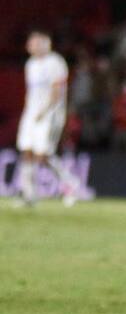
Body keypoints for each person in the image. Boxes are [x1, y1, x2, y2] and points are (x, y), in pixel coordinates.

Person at [15, 30, 80, 206]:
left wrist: (44, 111)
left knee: (43, 155)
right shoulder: (30, 64)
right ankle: (29, 196)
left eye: (35, 42)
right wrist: (30, 111)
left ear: (46, 43)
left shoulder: (55, 62)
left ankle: (71, 184)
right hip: (31, 114)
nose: (31, 46)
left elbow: (57, 91)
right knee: (26, 152)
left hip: (49, 114)